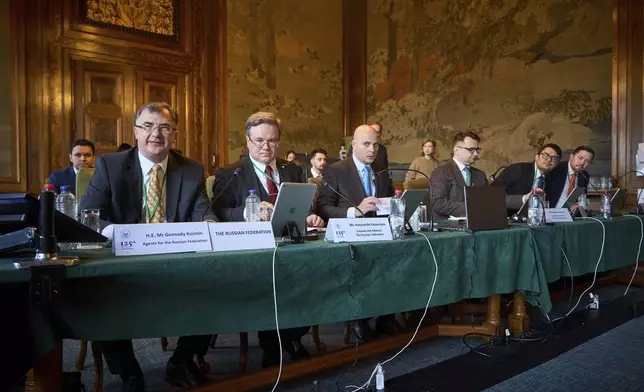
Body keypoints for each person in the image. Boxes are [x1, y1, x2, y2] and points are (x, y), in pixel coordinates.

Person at [80, 102, 215, 391]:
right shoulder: (110, 165)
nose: (156, 134)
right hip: (123, 259)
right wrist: (116, 232)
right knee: (99, 297)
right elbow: (88, 215)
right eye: (148, 126)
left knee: (218, 282)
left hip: (177, 257)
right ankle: (130, 374)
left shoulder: (191, 170)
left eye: (165, 127)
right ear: (136, 132)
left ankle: (180, 361)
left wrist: (211, 225)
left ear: (175, 134)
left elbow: (204, 212)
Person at [211, 112, 323, 368]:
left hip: (293, 247)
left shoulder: (292, 169)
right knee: (273, 284)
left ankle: (291, 336)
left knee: (318, 277)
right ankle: (274, 344)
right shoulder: (231, 173)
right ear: (248, 141)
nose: (265, 146)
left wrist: (311, 217)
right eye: (259, 140)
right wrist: (248, 212)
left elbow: (300, 207)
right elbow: (218, 212)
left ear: (279, 141)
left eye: (272, 141)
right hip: (254, 252)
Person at [315, 124, 402, 340]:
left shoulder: (380, 169)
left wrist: (395, 204)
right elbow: (323, 208)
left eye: (376, 145)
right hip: (350, 238)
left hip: (380, 234)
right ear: (353, 145)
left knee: (399, 258)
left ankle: (386, 317)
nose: (372, 150)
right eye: (366, 144)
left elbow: (389, 197)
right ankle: (358, 318)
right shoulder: (336, 170)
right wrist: (355, 211)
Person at [429, 131, 487, 221]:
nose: (475, 154)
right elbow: (437, 203)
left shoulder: (480, 175)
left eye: (477, 150)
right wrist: (471, 208)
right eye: (471, 150)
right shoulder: (441, 172)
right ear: (456, 150)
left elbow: (486, 200)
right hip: (447, 227)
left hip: (479, 222)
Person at [492, 143, 562, 214]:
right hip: (507, 219)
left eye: (554, 158)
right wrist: (524, 199)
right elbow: (492, 197)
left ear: (557, 164)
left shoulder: (553, 180)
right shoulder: (517, 170)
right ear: (536, 157)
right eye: (545, 155)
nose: (549, 160)